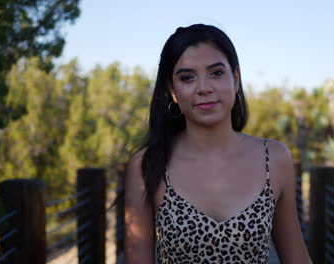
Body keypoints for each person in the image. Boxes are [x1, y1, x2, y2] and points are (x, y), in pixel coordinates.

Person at [124, 24, 312, 264]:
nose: (204, 88)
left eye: (216, 73)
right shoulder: (147, 165)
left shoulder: (273, 158)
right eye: (187, 77)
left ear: (235, 78)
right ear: (172, 90)